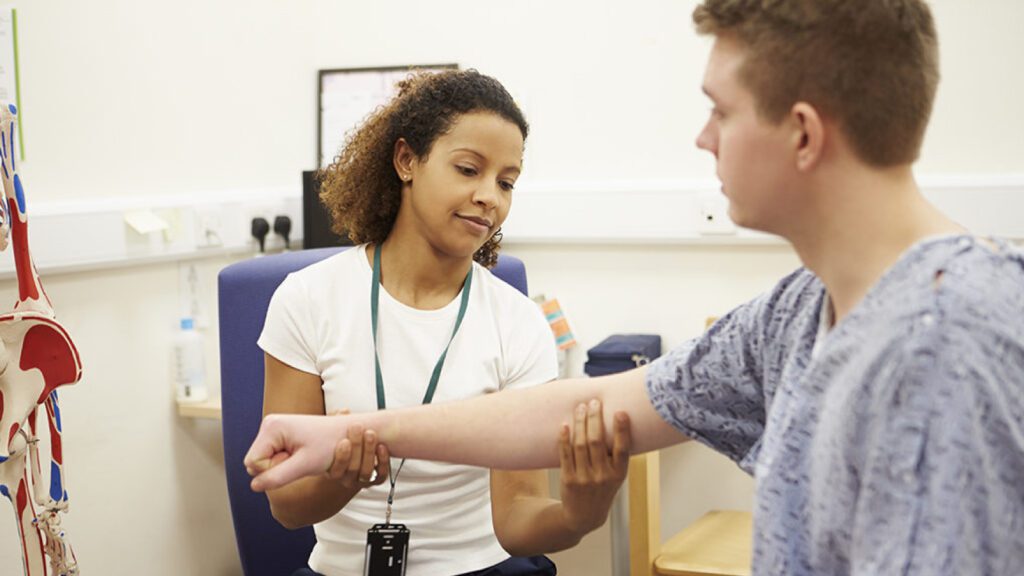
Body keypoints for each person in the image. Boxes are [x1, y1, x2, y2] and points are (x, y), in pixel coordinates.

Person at [247, 2, 1024, 575]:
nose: (702, 137)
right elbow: (589, 408)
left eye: (720, 111)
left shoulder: (948, 345)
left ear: (802, 133)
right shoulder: (792, 315)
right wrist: (347, 435)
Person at [258, 69, 631, 576]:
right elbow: (287, 506)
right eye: (468, 169)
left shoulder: (517, 322)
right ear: (407, 161)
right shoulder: (307, 299)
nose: (490, 197)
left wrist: (577, 515)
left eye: (506, 182)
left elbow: (518, 517)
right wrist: (345, 478)